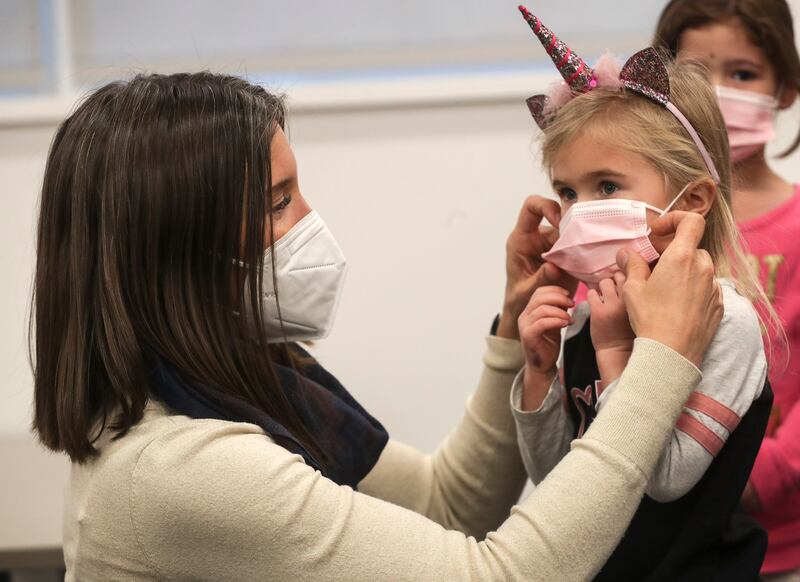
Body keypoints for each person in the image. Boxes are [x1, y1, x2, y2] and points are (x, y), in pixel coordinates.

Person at [32, 71, 722, 581]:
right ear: (181, 252)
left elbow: (444, 507)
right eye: (277, 204)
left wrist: (514, 329)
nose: (310, 220)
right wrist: (661, 363)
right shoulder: (185, 470)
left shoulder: (251, 378)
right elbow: (505, 576)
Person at [512, 7, 774, 581]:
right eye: (567, 190)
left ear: (694, 200)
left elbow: (663, 479)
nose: (580, 211)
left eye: (607, 185)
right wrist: (536, 373)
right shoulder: (587, 316)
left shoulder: (725, 321)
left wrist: (616, 354)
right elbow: (562, 480)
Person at [655, 1, 800, 579]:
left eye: (742, 73)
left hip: (781, 535)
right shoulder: (649, 223)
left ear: (784, 87)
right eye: (695, 74)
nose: (716, 95)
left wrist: (755, 479)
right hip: (668, 536)